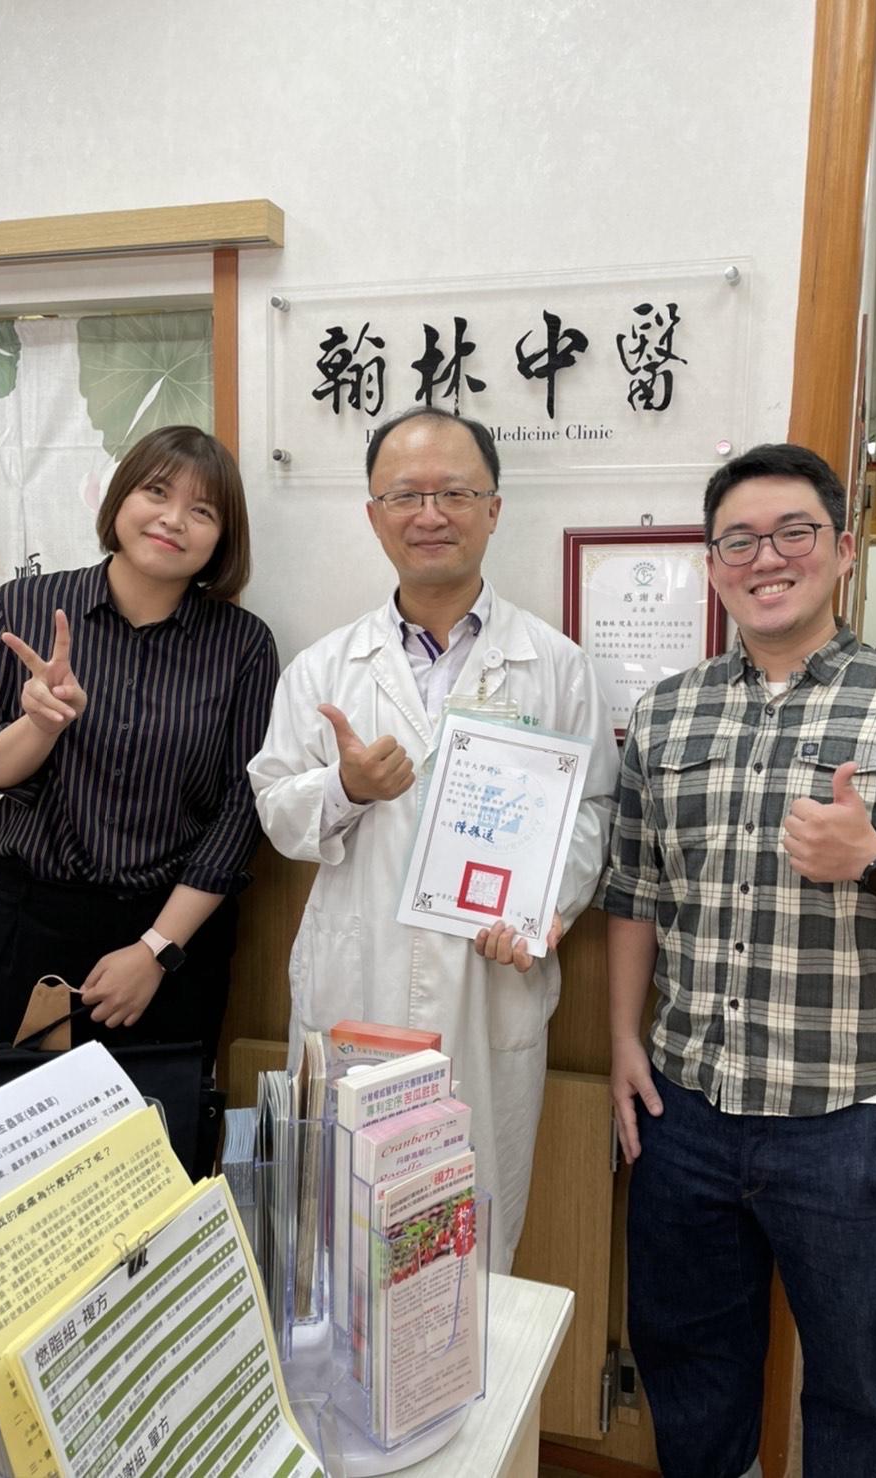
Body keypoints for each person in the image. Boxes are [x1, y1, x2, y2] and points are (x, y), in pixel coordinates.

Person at [599, 443, 876, 1478]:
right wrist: (622, 1042)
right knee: (690, 1368)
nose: (767, 557)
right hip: (685, 1108)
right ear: (711, 566)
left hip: (848, 1120)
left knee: (856, 1388)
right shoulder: (665, 712)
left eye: (793, 532)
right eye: (738, 540)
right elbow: (635, 890)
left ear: (841, 551)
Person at [248, 406, 618, 1270]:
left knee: (468, 1240)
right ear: (374, 515)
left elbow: (593, 810)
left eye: (454, 492)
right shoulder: (325, 668)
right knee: (338, 1233)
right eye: (405, 495)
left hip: (490, 982)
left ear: (493, 509)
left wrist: (545, 910)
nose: (430, 514)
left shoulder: (555, 665)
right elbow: (276, 810)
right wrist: (346, 788)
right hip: (356, 981)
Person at [0, 425, 279, 1071]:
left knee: (159, 1129)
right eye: (157, 492)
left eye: (203, 511)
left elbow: (241, 811)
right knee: (18, 1126)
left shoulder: (243, 644)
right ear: (121, 498)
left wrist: (155, 951)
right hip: (28, 925)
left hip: (171, 935)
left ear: (223, 538)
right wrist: (39, 726)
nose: (173, 519)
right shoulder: (26, 605)